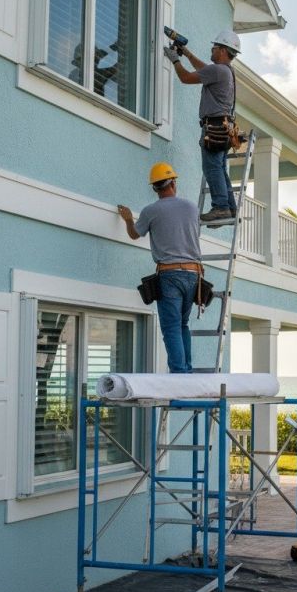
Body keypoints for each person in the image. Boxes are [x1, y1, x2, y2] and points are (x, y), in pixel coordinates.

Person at [117, 162, 201, 373]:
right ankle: (186, 371)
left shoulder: (150, 211)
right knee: (182, 325)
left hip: (169, 273)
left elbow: (135, 234)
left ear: (155, 187)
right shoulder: (191, 207)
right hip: (193, 273)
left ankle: (179, 375)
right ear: (173, 182)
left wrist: (128, 220)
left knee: (171, 327)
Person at [165, 30, 241, 223]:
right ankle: (230, 208)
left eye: (214, 47)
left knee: (212, 169)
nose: (212, 49)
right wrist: (187, 54)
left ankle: (221, 208)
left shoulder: (217, 70)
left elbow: (186, 77)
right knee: (220, 169)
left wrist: (175, 60)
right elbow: (203, 69)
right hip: (224, 128)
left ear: (223, 50)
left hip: (214, 128)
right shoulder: (225, 71)